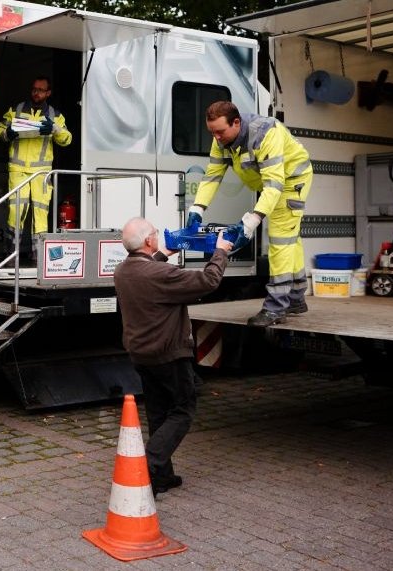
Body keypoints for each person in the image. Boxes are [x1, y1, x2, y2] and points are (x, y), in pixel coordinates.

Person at [113, 217, 232, 495]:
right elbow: (208, 280)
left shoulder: (122, 271)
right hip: (168, 355)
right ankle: (147, 465)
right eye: (154, 233)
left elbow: (147, 267)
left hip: (141, 355)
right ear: (147, 241)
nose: (157, 235)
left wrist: (163, 254)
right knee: (182, 410)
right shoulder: (160, 275)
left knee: (158, 413)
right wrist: (221, 251)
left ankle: (161, 477)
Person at [187, 101, 313, 327]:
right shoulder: (222, 139)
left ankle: (276, 307)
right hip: (272, 184)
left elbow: (275, 185)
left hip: (291, 181)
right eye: (212, 132)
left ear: (236, 123)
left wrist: (251, 221)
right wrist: (197, 208)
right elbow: (213, 175)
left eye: (220, 132)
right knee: (290, 238)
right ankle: (296, 297)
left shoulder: (266, 133)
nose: (216, 138)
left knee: (280, 239)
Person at [0, 76, 72, 252]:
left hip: (41, 172)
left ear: (48, 93)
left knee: (40, 213)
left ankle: (39, 258)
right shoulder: (17, 110)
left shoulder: (55, 115)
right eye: (34, 89)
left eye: (40, 90)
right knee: (16, 212)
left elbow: (67, 139)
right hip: (18, 169)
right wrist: (7, 133)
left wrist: (55, 129)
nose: (36, 93)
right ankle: (11, 255)